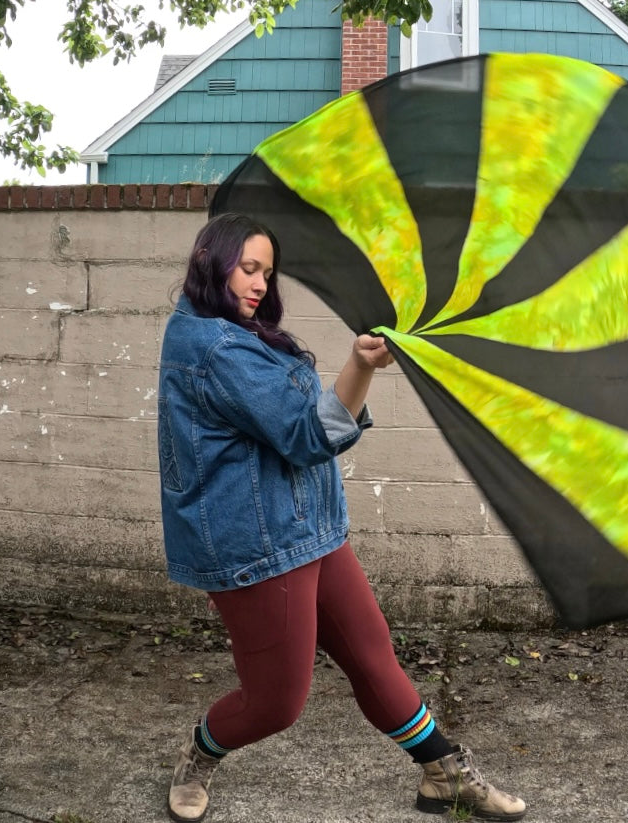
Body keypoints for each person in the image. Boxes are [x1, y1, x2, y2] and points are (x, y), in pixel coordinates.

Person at [157, 212, 526, 823]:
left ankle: (443, 774)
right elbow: (307, 436)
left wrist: (360, 363)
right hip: (258, 543)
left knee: (372, 654)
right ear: (208, 262)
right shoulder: (216, 347)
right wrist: (360, 369)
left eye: (267, 272)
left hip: (310, 523)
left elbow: (304, 426)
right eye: (248, 268)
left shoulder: (231, 330)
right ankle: (199, 752)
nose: (260, 284)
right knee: (275, 704)